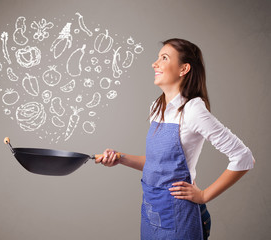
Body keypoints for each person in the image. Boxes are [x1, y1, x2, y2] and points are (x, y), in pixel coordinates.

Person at [95, 38, 255, 240]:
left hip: (180, 216)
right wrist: (121, 158)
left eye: (164, 58)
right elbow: (159, 165)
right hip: (153, 210)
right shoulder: (156, 107)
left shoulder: (193, 110)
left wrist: (204, 195)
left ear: (184, 69)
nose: (155, 63)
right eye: (157, 58)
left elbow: (243, 157)